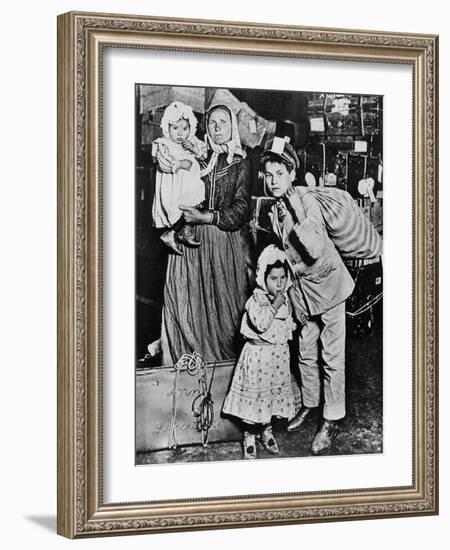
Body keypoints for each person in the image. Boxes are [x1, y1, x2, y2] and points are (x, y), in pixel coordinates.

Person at [262, 137, 355, 455]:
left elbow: (313, 247)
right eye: (268, 174)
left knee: (332, 357)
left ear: (292, 174)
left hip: (328, 287)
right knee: (304, 351)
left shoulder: (307, 201)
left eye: (279, 174)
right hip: (302, 292)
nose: (272, 181)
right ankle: (311, 404)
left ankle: (331, 419)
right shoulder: (274, 208)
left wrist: (296, 205)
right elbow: (287, 256)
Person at [155, 103, 251, 365]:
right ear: (206, 128)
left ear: (233, 127)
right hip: (190, 242)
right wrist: (161, 157)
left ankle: (224, 371)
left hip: (222, 242)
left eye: (223, 122)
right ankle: (188, 364)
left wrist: (207, 217)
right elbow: (173, 162)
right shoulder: (200, 158)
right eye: (212, 123)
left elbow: (241, 209)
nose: (217, 127)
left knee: (225, 309)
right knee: (188, 304)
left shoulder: (240, 165)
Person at [222, 245, 296, 459]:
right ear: (263, 278)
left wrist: (292, 323)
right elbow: (262, 324)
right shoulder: (256, 300)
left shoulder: (284, 299)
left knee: (271, 397)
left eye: (283, 278)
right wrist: (274, 305)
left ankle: (266, 430)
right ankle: (250, 434)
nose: (279, 283)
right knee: (255, 399)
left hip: (276, 359)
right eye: (274, 278)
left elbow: (286, 325)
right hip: (257, 359)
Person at [151, 101, 207, 255]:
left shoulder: (192, 141)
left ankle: (183, 231)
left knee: (197, 200)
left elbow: (204, 154)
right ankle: (172, 232)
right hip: (174, 186)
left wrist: (194, 149)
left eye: (185, 128)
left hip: (190, 183)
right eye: (175, 128)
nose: (180, 133)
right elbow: (164, 165)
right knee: (179, 207)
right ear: (167, 128)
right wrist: (182, 163)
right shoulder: (164, 144)